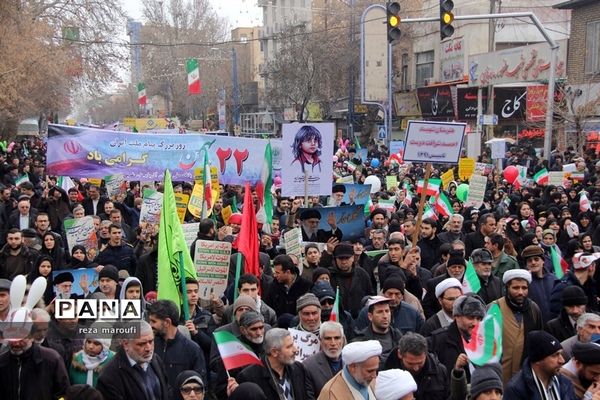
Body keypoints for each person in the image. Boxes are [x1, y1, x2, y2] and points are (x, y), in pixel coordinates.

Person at [490, 269, 543, 384]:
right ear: (507, 288)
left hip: (526, 376)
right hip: (499, 375)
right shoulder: (494, 309)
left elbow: (539, 343)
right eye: (515, 288)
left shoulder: (533, 309)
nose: (520, 292)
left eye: (524, 288)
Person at [96, 320, 170, 400]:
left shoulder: (156, 360)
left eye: (151, 341)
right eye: (141, 344)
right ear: (126, 344)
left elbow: (167, 390)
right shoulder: (109, 376)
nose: (148, 348)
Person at [147, 300, 207, 388]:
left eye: (153, 321)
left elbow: (199, 386)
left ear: (167, 322)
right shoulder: (150, 345)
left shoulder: (192, 350)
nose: (150, 325)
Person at [429, 294, 486, 383]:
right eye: (470, 317)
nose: (475, 323)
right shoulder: (438, 340)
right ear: (457, 316)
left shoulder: (485, 340)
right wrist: (456, 369)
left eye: (479, 318)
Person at [236, 328, 307, 399]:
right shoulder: (249, 377)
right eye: (289, 347)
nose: (295, 350)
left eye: (293, 345)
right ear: (274, 352)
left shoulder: (298, 368)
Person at [504, 330, 574, 399]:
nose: (562, 360)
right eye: (555, 355)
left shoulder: (564, 382)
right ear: (538, 360)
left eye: (560, 354)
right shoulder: (516, 389)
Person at [383, 332, 449, 400]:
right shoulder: (383, 372)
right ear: (400, 354)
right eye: (410, 363)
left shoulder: (440, 372)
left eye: (420, 363)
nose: (416, 368)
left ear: (426, 354)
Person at [353, 296, 403, 367]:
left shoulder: (398, 337)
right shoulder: (361, 340)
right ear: (370, 316)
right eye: (380, 312)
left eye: (387, 311)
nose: (385, 316)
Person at [303, 321, 346, 398]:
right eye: (328, 338)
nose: (333, 343)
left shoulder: (352, 361)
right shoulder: (308, 366)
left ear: (342, 340)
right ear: (321, 340)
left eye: (337, 338)